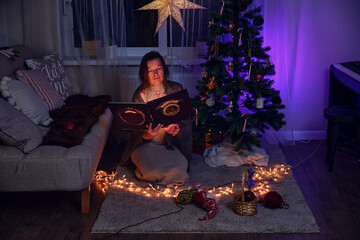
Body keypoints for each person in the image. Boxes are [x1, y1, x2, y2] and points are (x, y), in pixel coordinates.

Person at [125, 51, 192, 188]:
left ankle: (161, 175)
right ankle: (147, 170)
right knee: (151, 170)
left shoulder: (176, 89)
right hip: (146, 147)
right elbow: (136, 130)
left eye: (158, 68)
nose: (156, 74)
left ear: (164, 69)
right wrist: (147, 135)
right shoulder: (139, 95)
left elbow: (186, 121)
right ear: (145, 74)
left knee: (180, 170)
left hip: (170, 145)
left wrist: (174, 129)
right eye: (151, 70)